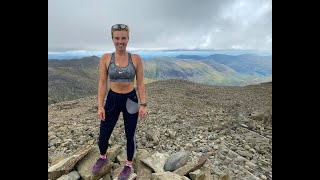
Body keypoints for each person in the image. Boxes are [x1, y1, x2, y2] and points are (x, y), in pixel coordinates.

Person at [92, 24, 147, 179]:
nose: (120, 41)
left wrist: (143, 104)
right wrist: (100, 106)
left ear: (128, 39)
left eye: (123, 38)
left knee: (130, 135)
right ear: (112, 39)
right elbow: (102, 83)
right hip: (112, 99)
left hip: (131, 100)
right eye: (117, 38)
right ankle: (103, 157)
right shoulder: (105, 58)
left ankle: (128, 165)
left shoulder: (136, 59)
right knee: (103, 135)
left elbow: (141, 83)